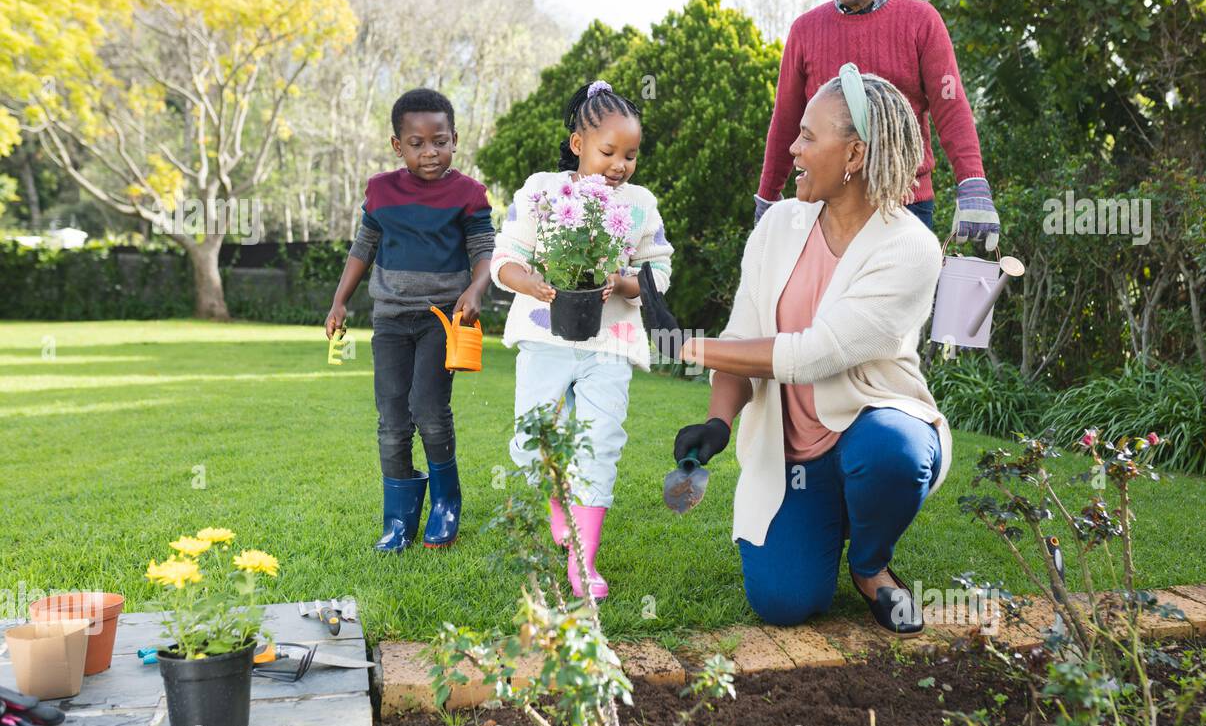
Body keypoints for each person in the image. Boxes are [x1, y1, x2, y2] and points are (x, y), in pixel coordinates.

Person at [647, 65, 952, 634]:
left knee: (892, 455)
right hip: (797, 457)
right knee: (784, 601)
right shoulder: (780, 224)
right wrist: (718, 421)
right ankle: (828, 516)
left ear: (855, 155)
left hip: (872, 426)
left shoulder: (912, 247)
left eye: (809, 136)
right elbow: (745, 336)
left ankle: (869, 565)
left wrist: (688, 346)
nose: (793, 147)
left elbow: (814, 352)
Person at [491, 80, 674, 601]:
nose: (620, 165)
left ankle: (582, 558)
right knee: (536, 445)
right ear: (578, 145)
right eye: (609, 152)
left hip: (609, 342)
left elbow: (659, 269)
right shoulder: (543, 191)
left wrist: (627, 282)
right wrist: (526, 281)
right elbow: (505, 254)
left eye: (631, 155)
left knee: (601, 443)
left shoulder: (639, 205)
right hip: (547, 338)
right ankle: (558, 513)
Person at [753, 0, 1000, 247]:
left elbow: (950, 107)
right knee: (829, 299)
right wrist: (767, 199)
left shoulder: (921, 21)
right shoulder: (804, 31)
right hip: (828, 209)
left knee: (901, 299)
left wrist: (972, 183)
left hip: (905, 206)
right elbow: (786, 120)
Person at [325, 88, 494, 552]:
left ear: (454, 139)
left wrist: (476, 289)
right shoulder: (381, 190)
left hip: (444, 319)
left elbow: (483, 252)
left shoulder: (468, 193)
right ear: (397, 146)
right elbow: (364, 247)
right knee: (393, 420)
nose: (429, 152)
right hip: (392, 320)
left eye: (439, 141)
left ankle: (445, 507)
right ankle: (397, 521)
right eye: (416, 143)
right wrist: (340, 301)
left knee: (429, 411)